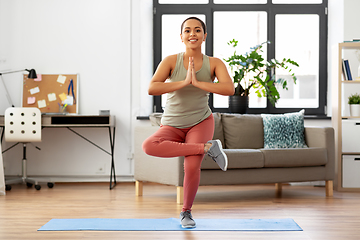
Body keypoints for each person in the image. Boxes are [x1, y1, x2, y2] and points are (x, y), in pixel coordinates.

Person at [142, 17, 234, 228]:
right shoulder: (171, 61)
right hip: (172, 124)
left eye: (197, 30)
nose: (192, 34)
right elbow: (152, 88)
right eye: (188, 30)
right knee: (148, 146)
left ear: (204, 36)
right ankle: (208, 148)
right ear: (181, 36)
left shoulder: (215, 63)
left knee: (192, 167)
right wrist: (183, 82)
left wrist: (198, 83)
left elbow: (229, 89)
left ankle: (186, 212)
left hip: (200, 122)